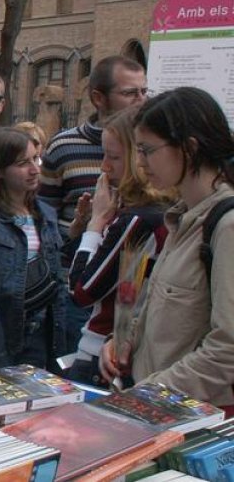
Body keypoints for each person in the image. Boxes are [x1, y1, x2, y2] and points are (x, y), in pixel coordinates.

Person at [100, 88, 234, 410]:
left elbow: (227, 349)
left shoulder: (226, 225)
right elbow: (167, 313)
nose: (140, 163)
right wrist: (124, 341)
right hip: (158, 405)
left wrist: (148, 393)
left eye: (147, 150)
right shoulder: (183, 217)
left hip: (195, 415)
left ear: (189, 148)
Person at [40, 55, 148, 354]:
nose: (141, 100)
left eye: (144, 91)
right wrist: (78, 231)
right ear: (99, 98)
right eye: (130, 93)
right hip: (78, 280)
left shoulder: (153, 155)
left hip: (129, 292)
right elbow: (45, 216)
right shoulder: (64, 146)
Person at [66, 107, 172, 386]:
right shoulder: (164, 212)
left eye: (113, 157)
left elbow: (81, 290)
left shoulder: (138, 220)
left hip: (102, 354)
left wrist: (96, 224)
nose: (104, 167)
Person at [0, 128, 66, 370]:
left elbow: (56, 279)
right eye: (22, 163)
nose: (34, 169)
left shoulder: (45, 213)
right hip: (3, 333)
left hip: (41, 333)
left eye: (36, 159)